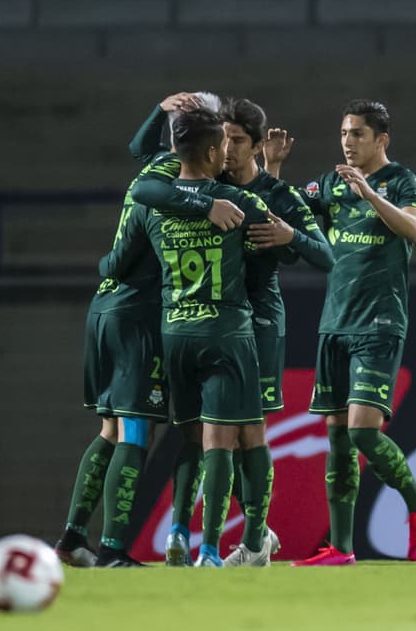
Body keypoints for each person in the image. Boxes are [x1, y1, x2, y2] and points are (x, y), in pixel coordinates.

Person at [128, 97, 334, 566]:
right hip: (223, 324)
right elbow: (146, 181)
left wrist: (290, 237)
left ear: (256, 147)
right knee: (208, 436)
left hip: (258, 325)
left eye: (237, 140)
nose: (228, 148)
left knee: (245, 434)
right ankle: (212, 535)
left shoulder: (274, 195)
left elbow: (325, 256)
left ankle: (253, 537)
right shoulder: (212, 189)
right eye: (224, 139)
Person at [54, 93, 244, 569]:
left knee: (111, 429)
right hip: (138, 314)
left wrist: (159, 112)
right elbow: (146, 199)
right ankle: (113, 549)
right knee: (137, 430)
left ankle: (74, 537)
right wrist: (207, 205)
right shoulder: (174, 184)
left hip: (107, 307)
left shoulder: (158, 166)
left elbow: (139, 154)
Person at [265, 99, 416, 566]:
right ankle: (341, 548)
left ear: (382, 139)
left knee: (363, 433)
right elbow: (285, 214)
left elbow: (415, 230)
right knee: (338, 437)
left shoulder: (401, 181)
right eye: (344, 133)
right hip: (335, 323)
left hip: (379, 322)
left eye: (358, 133)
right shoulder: (331, 184)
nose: (348, 141)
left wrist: (370, 195)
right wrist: (273, 167)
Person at [123, 107, 275, 567]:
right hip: (226, 333)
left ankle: (176, 532)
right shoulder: (235, 201)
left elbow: (120, 256)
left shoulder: (156, 202)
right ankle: (210, 549)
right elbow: (288, 255)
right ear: (212, 152)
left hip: (175, 333)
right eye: (224, 144)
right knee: (227, 442)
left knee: (190, 438)